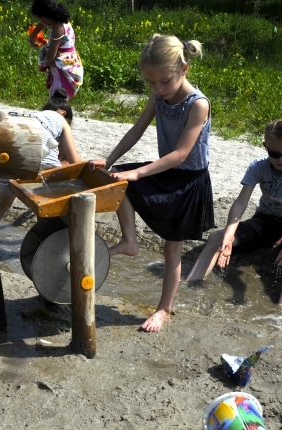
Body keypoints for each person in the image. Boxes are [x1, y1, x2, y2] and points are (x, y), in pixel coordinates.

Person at [87, 34, 214, 333]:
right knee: (118, 179)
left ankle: (164, 309)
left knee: (172, 249)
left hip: (188, 181)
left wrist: (139, 172)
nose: (158, 89)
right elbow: (138, 129)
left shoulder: (198, 105)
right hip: (165, 171)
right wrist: (109, 160)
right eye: (151, 83)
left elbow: (181, 154)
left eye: (164, 82)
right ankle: (130, 242)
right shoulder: (159, 94)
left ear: (184, 69)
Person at [187, 119, 282, 306]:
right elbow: (241, 202)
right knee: (217, 238)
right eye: (274, 154)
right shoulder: (258, 166)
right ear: (265, 147)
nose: (280, 159)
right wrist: (229, 236)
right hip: (264, 220)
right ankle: (190, 287)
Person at [0, 88, 82, 228]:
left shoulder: (31, 117)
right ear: (63, 112)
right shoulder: (61, 120)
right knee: (48, 203)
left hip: (10, 162)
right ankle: (48, 241)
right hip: (40, 162)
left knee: (2, 204)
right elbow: (75, 161)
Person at [28, 0, 84, 100]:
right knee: (60, 98)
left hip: (61, 67)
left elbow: (51, 56)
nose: (40, 20)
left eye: (40, 17)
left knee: (56, 98)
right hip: (69, 63)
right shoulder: (58, 21)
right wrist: (31, 37)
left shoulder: (58, 28)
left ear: (45, 16)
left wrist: (46, 58)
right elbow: (41, 24)